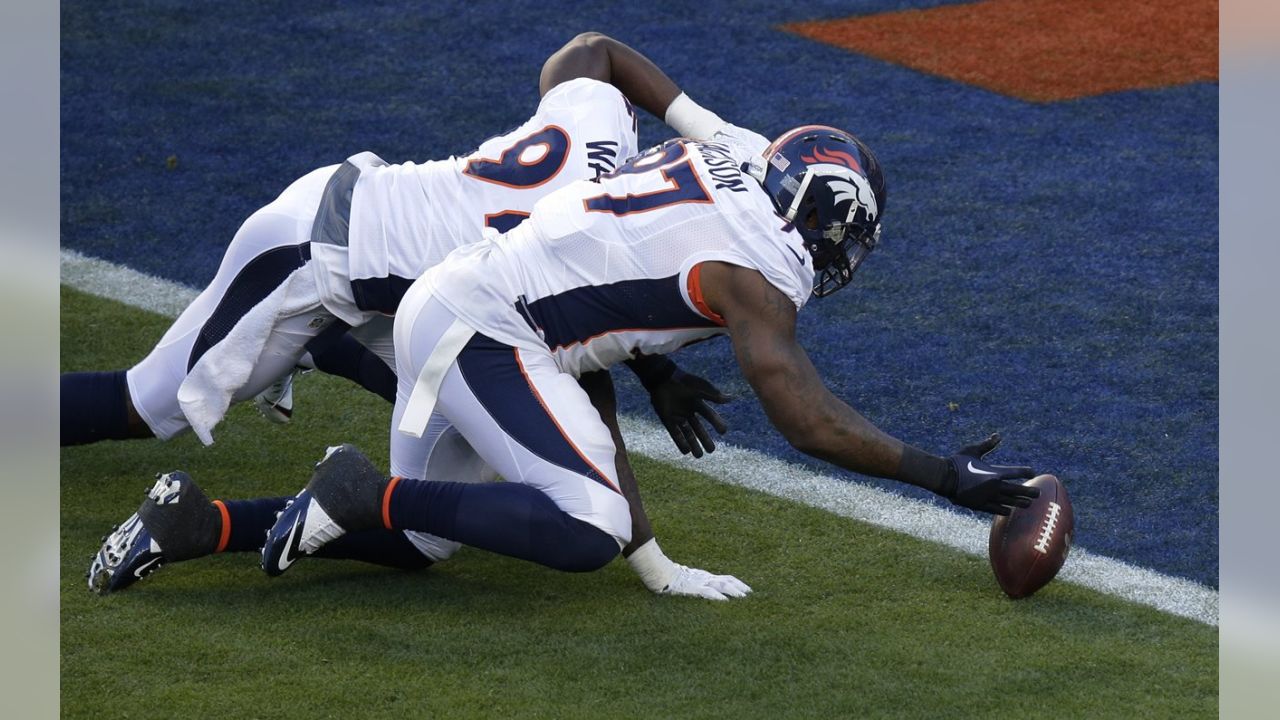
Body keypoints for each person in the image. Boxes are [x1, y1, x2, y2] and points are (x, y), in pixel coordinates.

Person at [251, 100, 1041, 591]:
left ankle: (205, 523)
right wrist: (943, 477)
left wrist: (654, 369)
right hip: (483, 333)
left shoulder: (728, 151)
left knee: (424, 541)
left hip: (459, 303)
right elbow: (807, 420)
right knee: (589, 527)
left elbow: (615, 273)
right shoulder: (758, 270)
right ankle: (358, 489)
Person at [86, 34, 752, 600]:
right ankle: (313, 343)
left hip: (412, 291)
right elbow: (584, 378)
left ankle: (197, 524)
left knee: (424, 535)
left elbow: (592, 53)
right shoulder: (581, 250)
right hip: (316, 252)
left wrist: (705, 128)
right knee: (146, 404)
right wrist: (654, 564)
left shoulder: (605, 149)